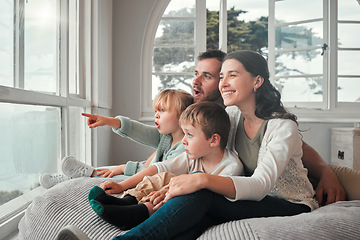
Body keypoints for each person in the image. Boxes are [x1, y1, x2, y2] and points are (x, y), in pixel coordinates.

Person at [106, 50, 320, 240]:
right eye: (221, 76)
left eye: (232, 75)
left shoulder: (283, 127)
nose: (223, 83)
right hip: (247, 196)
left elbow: (261, 184)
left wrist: (200, 179)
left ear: (257, 81)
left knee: (203, 193)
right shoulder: (233, 116)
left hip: (290, 203)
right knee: (196, 217)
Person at [193, 49, 345, 206]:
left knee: (203, 197)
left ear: (257, 81)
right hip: (247, 192)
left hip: (283, 199)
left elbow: (299, 147)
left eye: (207, 76)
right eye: (221, 77)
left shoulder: (277, 124)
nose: (196, 81)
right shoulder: (226, 112)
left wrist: (326, 173)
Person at [86, 102, 243, 230]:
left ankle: (138, 214)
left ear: (213, 140)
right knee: (163, 176)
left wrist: (169, 192)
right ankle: (127, 201)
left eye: (189, 134)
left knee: (176, 188)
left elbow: (205, 199)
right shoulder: (193, 156)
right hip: (181, 191)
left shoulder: (231, 167)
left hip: (199, 207)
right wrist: (122, 186)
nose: (183, 141)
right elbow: (158, 168)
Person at [38, 89, 193, 188]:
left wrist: (125, 167)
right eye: (155, 111)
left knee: (113, 174)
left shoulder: (184, 149)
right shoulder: (166, 137)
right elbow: (138, 130)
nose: (156, 115)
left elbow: (158, 175)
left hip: (150, 182)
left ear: (182, 116)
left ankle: (78, 177)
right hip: (144, 173)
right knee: (111, 169)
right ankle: (71, 177)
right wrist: (108, 121)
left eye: (163, 110)